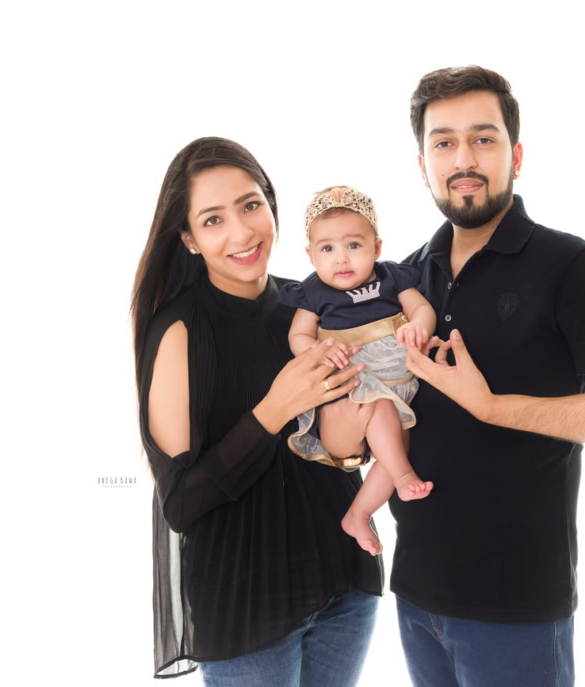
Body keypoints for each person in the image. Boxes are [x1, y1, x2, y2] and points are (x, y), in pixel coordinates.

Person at [392, 66, 585, 687]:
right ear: (424, 165)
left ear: (515, 155)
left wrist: (491, 406)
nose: (463, 159)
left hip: (517, 609)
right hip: (414, 595)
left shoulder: (576, 268)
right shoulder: (405, 279)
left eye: (483, 139)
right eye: (444, 142)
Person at [131, 137, 383, 684]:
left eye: (250, 206)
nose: (243, 232)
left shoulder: (312, 307)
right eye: (213, 219)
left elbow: (342, 448)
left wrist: (352, 442)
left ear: (271, 205)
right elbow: (180, 503)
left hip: (346, 589)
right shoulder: (178, 331)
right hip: (245, 614)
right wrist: (274, 409)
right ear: (188, 238)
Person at [279, 186, 437, 556]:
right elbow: (297, 335)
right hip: (356, 385)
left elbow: (422, 309)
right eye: (327, 249)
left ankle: (359, 513)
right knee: (385, 426)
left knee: (396, 450)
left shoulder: (391, 277)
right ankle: (403, 479)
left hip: (399, 386)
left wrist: (419, 326)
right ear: (310, 255)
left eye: (353, 245)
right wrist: (318, 350)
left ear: (376, 247)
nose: (341, 259)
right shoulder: (313, 293)